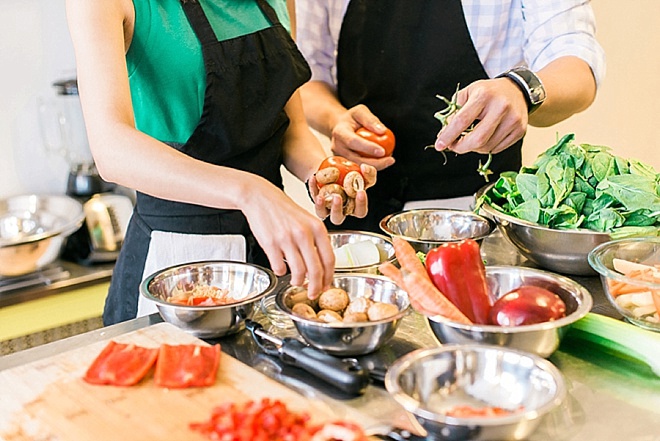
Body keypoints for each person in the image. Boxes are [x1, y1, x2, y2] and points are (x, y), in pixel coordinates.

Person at [65, 0, 376, 325]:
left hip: (273, 262)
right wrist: (251, 193)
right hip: (176, 268)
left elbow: (291, 129)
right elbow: (111, 149)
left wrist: (324, 174)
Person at [295, 0, 606, 232]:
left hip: (474, 212)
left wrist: (521, 90)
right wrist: (337, 120)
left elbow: (576, 65)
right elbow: (309, 76)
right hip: (356, 206)